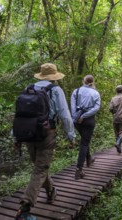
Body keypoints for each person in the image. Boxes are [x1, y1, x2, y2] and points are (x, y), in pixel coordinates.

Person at [15, 63, 76, 219]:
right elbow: (65, 115)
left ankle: (51, 191)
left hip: (28, 134)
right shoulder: (55, 90)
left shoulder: (29, 88)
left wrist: (16, 136)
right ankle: (25, 207)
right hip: (46, 134)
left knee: (40, 167)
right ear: (54, 76)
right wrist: (71, 136)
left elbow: (20, 114)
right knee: (40, 169)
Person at [71, 75, 100, 179]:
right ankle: (79, 169)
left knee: (84, 140)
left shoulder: (76, 91)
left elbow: (73, 106)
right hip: (89, 120)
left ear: (84, 81)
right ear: (93, 82)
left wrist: (77, 117)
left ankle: (89, 158)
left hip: (77, 120)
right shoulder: (95, 93)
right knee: (84, 143)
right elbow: (96, 108)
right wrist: (85, 116)